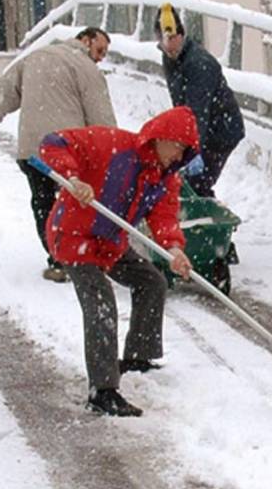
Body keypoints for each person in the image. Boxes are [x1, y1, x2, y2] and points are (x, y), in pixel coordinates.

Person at [38, 106, 200, 417]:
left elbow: (164, 218)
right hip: (74, 238)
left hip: (109, 243)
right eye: (178, 147)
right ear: (161, 137)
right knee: (101, 302)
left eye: (185, 152)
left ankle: (138, 357)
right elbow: (53, 142)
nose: (179, 156)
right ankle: (103, 390)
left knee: (151, 281)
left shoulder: (165, 179)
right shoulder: (111, 145)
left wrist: (175, 249)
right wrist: (72, 178)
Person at [0, 27, 117, 282]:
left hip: (34, 151)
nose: (101, 57)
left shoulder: (34, 58)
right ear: (85, 40)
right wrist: (113, 155)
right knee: (77, 203)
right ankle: (82, 257)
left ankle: (58, 260)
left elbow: (1, 94)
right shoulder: (86, 68)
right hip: (68, 151)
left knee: (43, 203)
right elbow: (101, 118)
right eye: (100, 50)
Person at [154, 3, 245, 198]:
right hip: (201, 126)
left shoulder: (199, 63)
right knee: (186, 183)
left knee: (196, 184)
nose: (168, 45)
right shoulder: (170, 57)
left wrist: (193, 151)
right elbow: (181, 105)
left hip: (221, 129)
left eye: (172, 38)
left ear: (181, 34)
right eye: (163, 40)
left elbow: (198, 112)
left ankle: (206, 224)